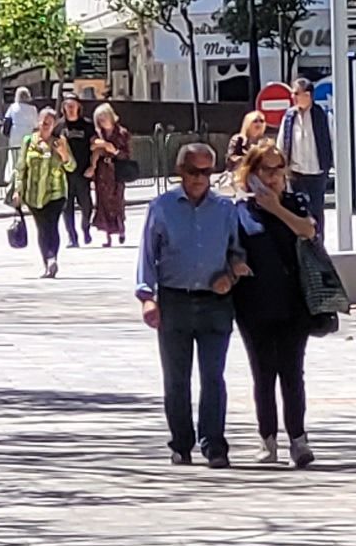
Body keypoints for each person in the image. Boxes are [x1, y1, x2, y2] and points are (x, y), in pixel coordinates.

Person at [132, 142, 256, 466]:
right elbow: (147, 255)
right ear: (180, 172)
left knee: (213, 376)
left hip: (215, 302)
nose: (200, 178)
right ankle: (181, 443)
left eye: (206, 171)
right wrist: (147, 298)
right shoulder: (161, 208)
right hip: (175, 301)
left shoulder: (226, 209)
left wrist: (230, 274)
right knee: (176, 378)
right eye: (193, 171)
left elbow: (238, 251)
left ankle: (214, 443)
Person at [233, 140, 324, 468]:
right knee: (263, 373)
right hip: (253, 304)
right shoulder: (240, 210)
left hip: (293, 302)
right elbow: (232, 247)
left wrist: (275, 208)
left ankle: (298, 440)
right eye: (265, 170)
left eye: (277, 169)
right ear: (251, 173)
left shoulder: (296, 202)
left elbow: (308, 232)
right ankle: (267, 438)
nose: (272, 176)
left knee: (292, 372)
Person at [8, 110, 74, 277]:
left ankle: (52, 259)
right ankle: (47, 262)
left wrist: (64, 154)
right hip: (33, 194)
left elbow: (71, 166)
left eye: (49, 124)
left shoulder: (59, 142)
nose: (45, 127)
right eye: (43, 123)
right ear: (38, 122)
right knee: (42, 228)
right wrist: (17, 190)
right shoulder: (29, 141)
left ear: (54, 126)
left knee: (51, 226)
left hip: (55, 193)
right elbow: (20, 168)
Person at [284, 78, 336, 217]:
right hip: (295, 172)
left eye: (296, 93)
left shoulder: (323, 115)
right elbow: (282, 141)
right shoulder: (289, 116)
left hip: (316, 172)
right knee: (297, 210)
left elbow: (332, 141)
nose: (292, 97)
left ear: (307, 95)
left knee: (316, 210)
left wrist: (332, 165)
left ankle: (317, 238)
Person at [57, 96, 100, 246]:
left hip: (83, 172)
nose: (70, 108)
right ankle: (72, 237)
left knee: (86, 204)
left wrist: (92, 166)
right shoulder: (60, 126)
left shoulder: (87, 125)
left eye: (73, 105)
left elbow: (95, 146)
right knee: (66, 207)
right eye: (67, 106)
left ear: (78, 107)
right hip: (65, 174)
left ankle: (85, 228)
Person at [91, 102, 136, 242]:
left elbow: (127, 154)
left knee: (117, 201)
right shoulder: (99, 134)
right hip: (102, 172)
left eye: (104, 117)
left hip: (117, 171)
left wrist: (114, 151)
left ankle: (121, 229)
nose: (103, 121)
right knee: (103, 202)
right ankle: (108, 235)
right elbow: (92, 148)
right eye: (100, 119)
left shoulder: (122, 133)